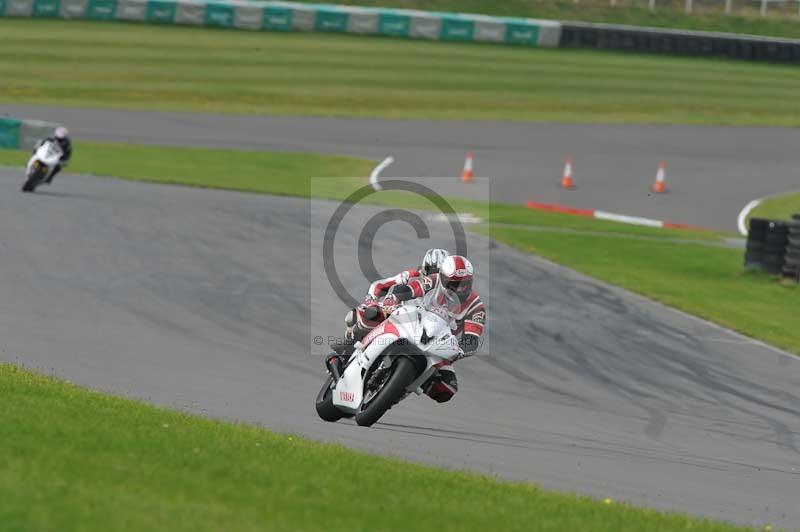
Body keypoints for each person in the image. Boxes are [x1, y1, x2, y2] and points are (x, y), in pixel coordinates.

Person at [327, 255, 486, 404]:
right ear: (443, 278)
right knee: (371, 314)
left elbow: (472, 338)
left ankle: (397, 390)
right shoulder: (434, 280)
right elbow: (411, 289)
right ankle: (346, 351)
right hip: (410, 319)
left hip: (439, 343)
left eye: (465, 283)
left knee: (447, 389)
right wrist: (393, 298)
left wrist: (461, 351)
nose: (460, 288)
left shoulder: (476, 307)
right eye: (455, 283)